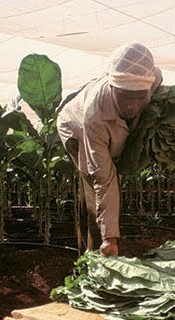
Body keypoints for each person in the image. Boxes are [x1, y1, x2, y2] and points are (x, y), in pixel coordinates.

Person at [57, 42, 162, 256]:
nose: (132, 105)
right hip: (75, 130)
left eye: (139, 97)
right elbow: (103, 180)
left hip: (113, 130)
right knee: (94, 185)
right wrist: (110, 237)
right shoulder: (93, 116)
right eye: (125, 97)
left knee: (108, 181)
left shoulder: (154, 79)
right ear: (112, 87)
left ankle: (104, 237)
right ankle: (95, 256)